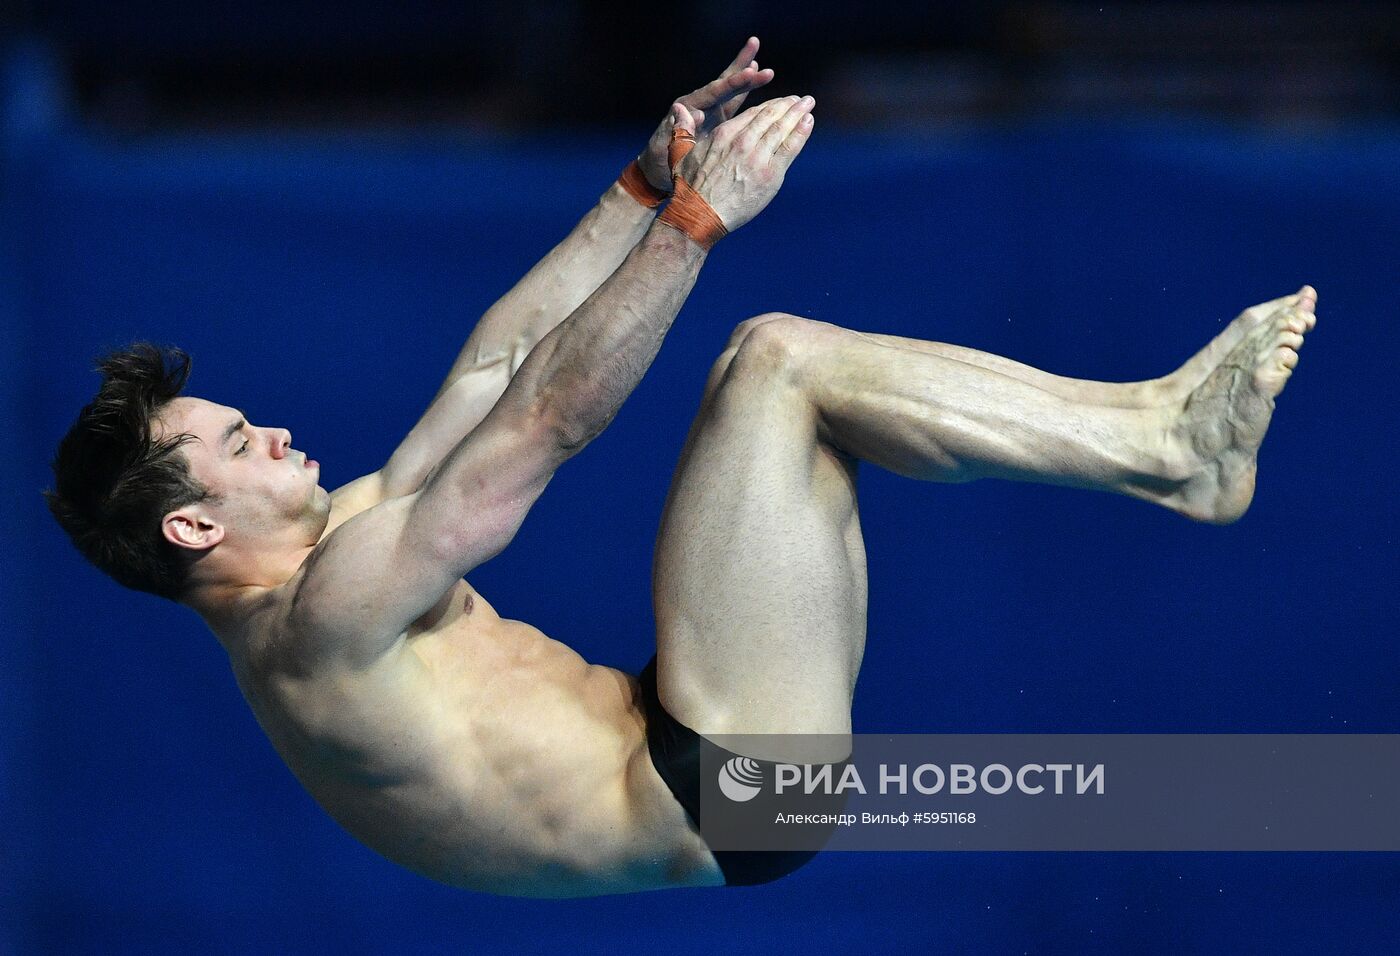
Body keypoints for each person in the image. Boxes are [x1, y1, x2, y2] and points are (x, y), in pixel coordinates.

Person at [45, 39, 1315, 898]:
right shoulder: (320, 622)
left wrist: (637, 188)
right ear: (197, 528)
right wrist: (695, 226)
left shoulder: (343, 553)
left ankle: (1157, 421)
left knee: (788, 370)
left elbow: (495, 366)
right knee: (773, 363)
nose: (266, 431)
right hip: (723, 790)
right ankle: (1164, 451)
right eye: (230, 443)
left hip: (694, 742)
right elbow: (539, 425)